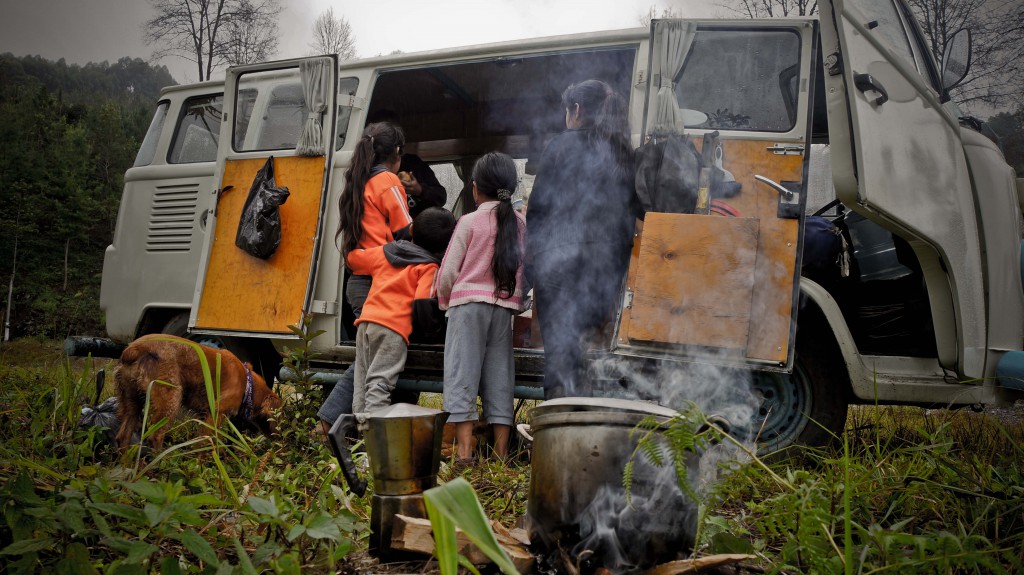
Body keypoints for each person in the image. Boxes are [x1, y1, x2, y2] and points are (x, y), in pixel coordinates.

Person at [525, 80, 638, 399]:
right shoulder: (622, 151)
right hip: (605, 273)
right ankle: (590, 425)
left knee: (561, 354)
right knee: (593, 353)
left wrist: (532, 262)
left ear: (576, 110)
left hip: (561, 266)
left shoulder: (560, 146)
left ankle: (561, 433)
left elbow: (538, 211)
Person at [316, 122, 413, 434]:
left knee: (368, 360)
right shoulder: (387, 180)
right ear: (397, 151)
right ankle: (330, 423)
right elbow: (406, 232)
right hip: (379, 282)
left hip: (358, 281)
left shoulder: (358, 180)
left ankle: (344, 427)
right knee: (370, 365)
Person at [435, 152, 529, 463]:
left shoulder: (469, 221)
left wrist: (445, 299)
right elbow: (525, 272)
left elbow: (448, 272)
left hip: (467, 308)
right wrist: (516, 302)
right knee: (500, 376)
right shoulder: (520, 223)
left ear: (475, 188)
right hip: (502, 310)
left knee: (462, 375)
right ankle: (501, 455)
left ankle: (464, 452)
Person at [348, 207, 456, 412]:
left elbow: (353, 259)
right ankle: (374, 437)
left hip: (365, 323)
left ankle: (357, 428)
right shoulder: (428, 268)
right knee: (380, 383)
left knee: (361, 382)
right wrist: (433, 334)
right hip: (393, 330)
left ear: (412, 229)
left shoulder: (385, 252)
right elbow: (422, 304)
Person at [367, 108, 448, 217]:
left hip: (416, 229)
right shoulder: (365, 168)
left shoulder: (413, 163)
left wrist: (419, 190)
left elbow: (440, 197)